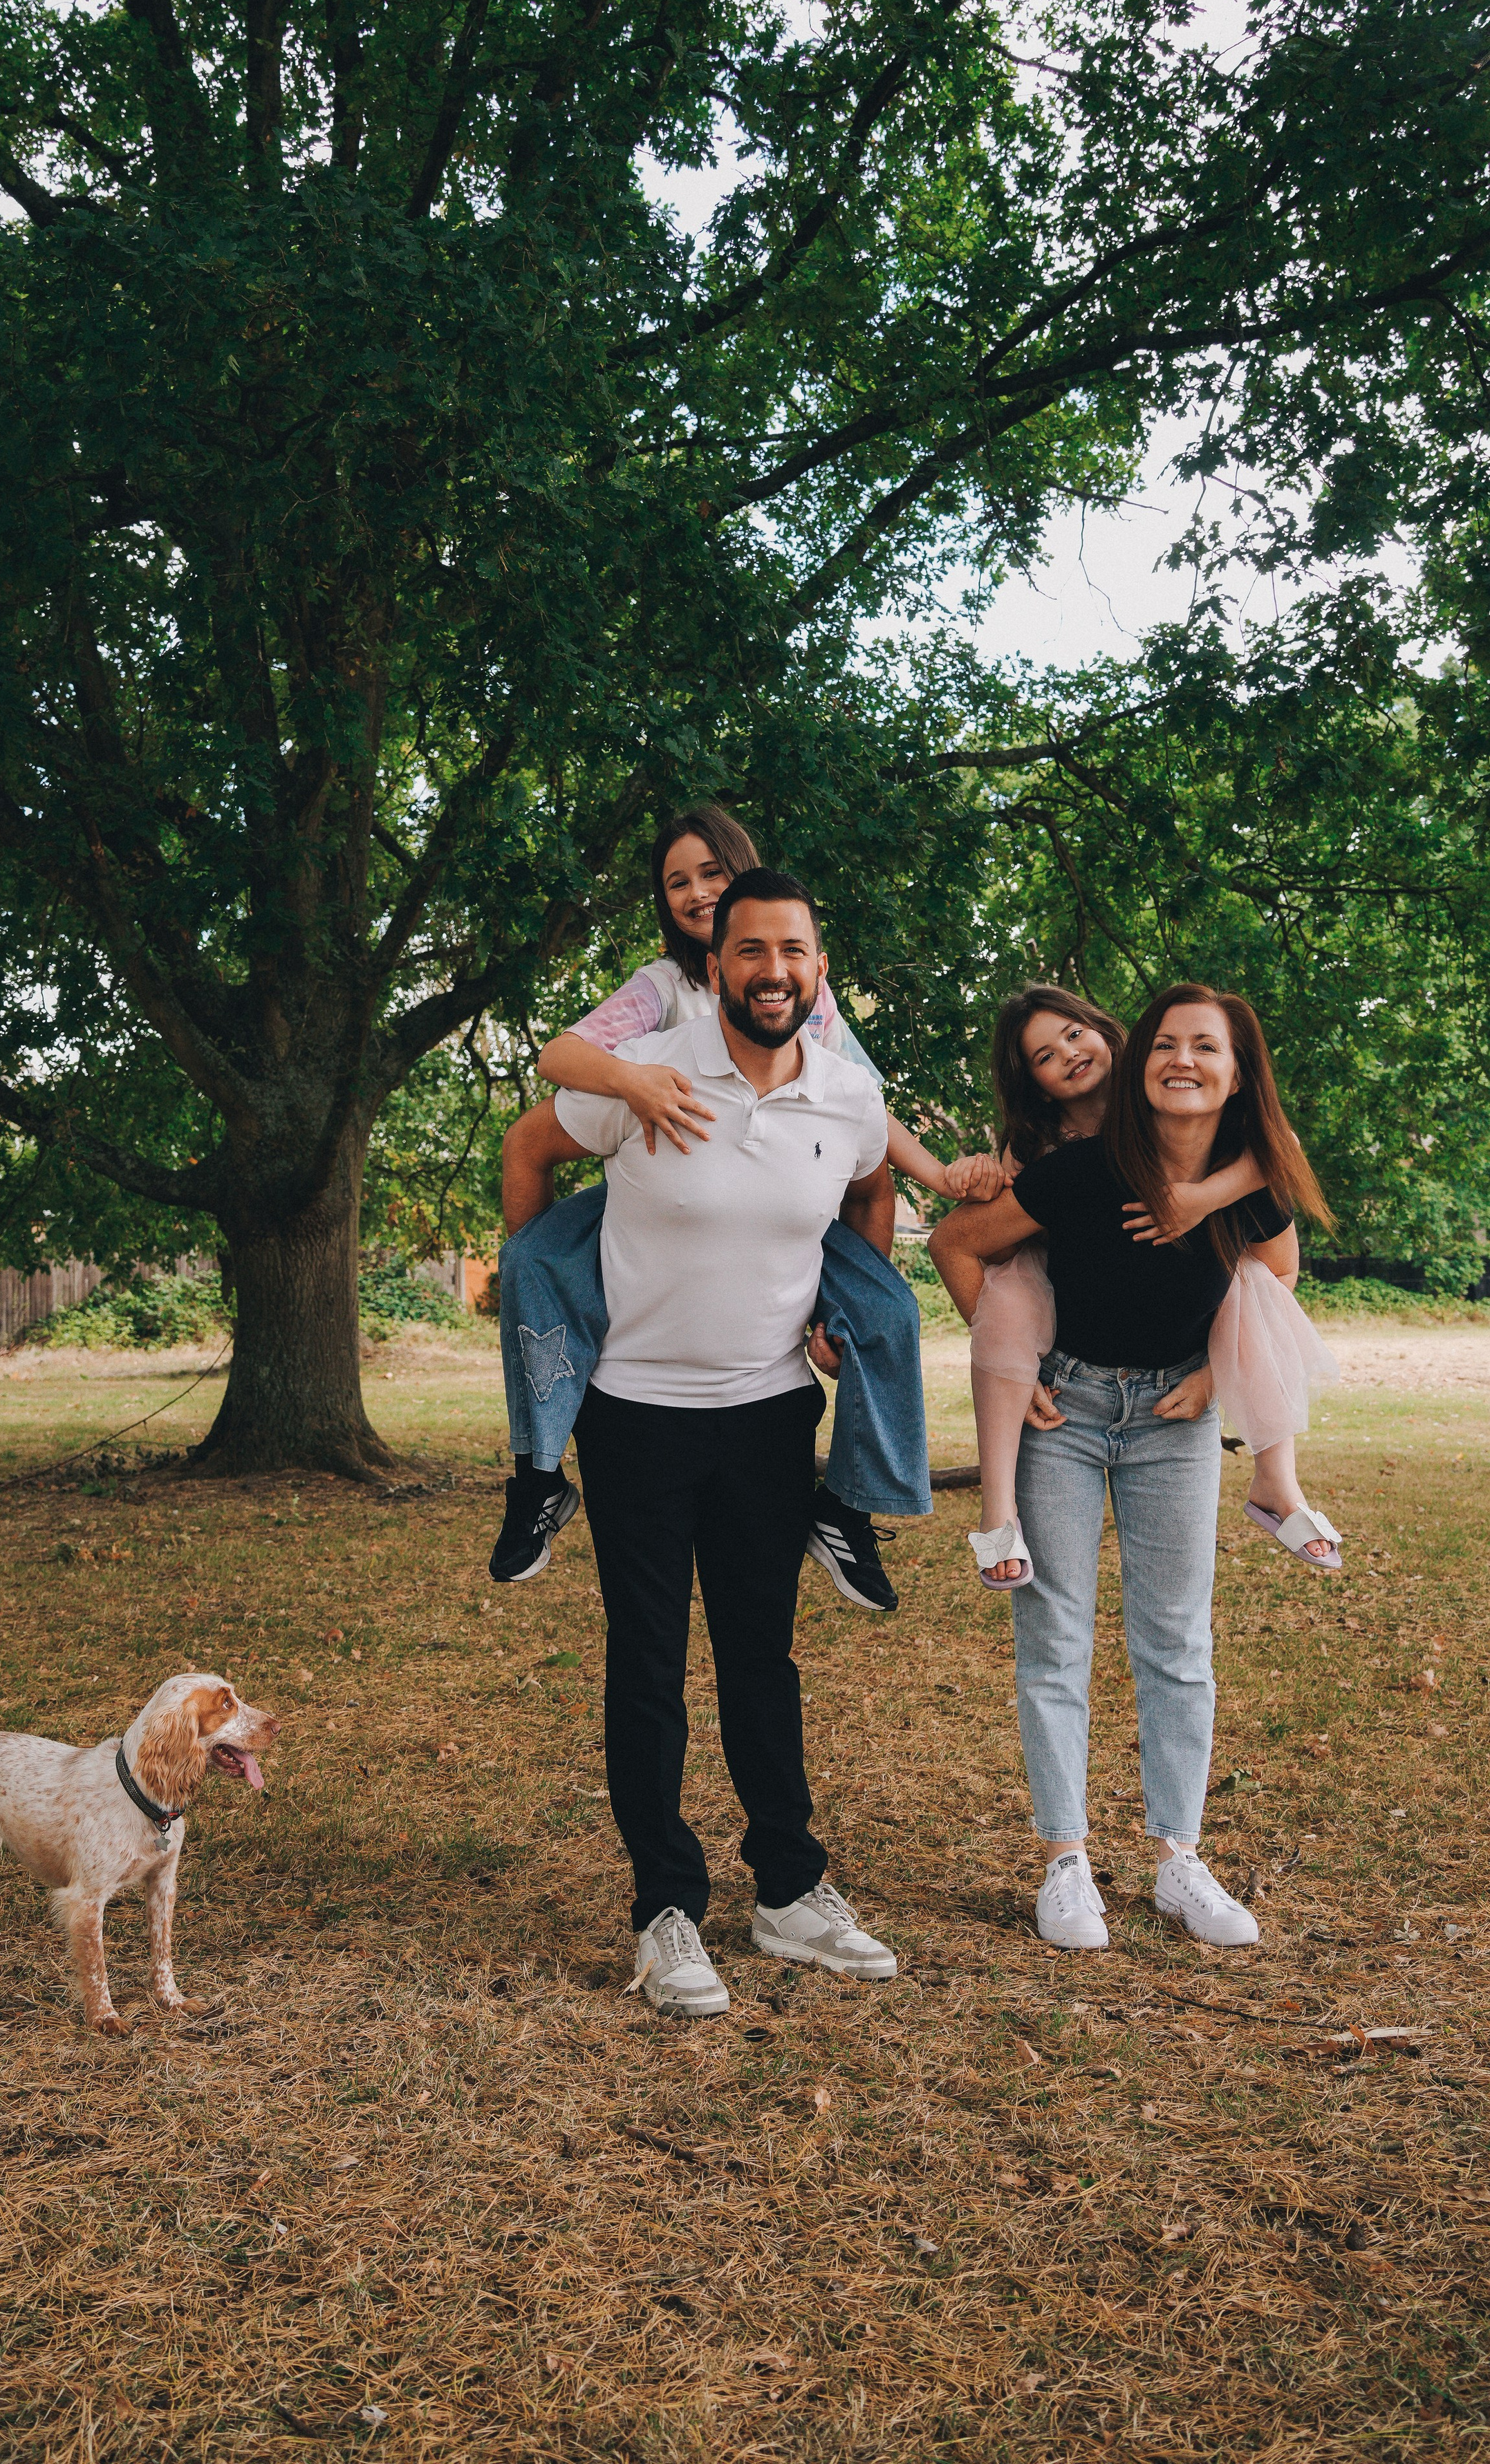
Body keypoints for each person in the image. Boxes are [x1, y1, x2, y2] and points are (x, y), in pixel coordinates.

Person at [500, 868, 901, 2015]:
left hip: (773, 1417)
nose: (773, 971)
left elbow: (873, 1192)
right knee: (648, 1665)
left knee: (761, 1660)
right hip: (633, 1416)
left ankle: (790, 1892)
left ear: (817, 972)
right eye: (752, 951)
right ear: (716, 962)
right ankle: (665, 1911)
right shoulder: (647, 1073)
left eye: (795, 952)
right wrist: (549, 1295)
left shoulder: (846, 1099)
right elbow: (530, 1150)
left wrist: (848, 1301)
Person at [490, 805, 1000, 1604]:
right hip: (655, 1178)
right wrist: (633, 1080)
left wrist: (937, 1176)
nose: (696, 892)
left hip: (787, 1197)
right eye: (676, 883)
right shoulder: (661, 989)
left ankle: (847, 1507)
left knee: (893, 1316)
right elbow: (561, 1055)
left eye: (711, 874)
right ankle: (537, 1475)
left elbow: (858, 1100)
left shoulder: (800, 992)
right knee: (527, 1264)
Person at [929, 983, 1333, 1953]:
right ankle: (1067, 1862)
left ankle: (1179, 1859)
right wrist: (1010, 1365)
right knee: (1055, 1636)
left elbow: (1274, 1277)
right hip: (1067, 1411)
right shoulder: (1075, 1171)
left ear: (1237, 1074)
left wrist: (1210, 1372)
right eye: (1169, 1044)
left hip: (1173, 1423)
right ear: (1141, 1057)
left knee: (1176, 1641)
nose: (1184, 1061)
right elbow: (957, 1241)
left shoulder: (1254, 1178)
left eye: (1208, 1048)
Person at [945, 985, 1340, 1589]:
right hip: (1057, 1328)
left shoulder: (1218, 1139)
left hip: (1171, 1389)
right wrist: (1013, 1367)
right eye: (1046, 1056)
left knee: (1254, 1282)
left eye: (1075, 1034)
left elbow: (1278, 1161)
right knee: (1009, 1302)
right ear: (1035, 1084)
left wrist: (1197, 1202)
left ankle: (1277, 1477)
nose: (1069, 1055)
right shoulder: (1043, 1151)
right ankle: (998, 1507)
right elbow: (965, 1241)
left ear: (1110, 1037)